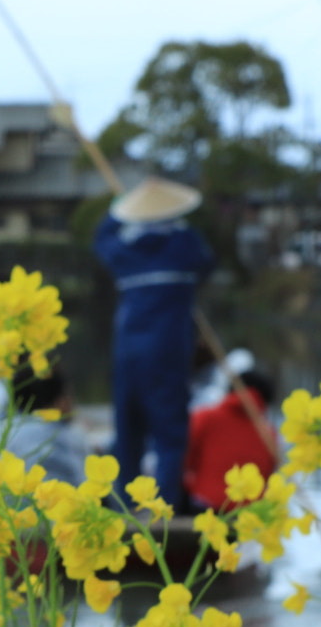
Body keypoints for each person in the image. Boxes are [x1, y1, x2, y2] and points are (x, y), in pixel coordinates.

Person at [92, 177, 214, 510]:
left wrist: (121, 209)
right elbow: (206, 263)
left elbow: (101, 239)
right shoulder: (185, 247)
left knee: (127, 431)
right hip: (168, 354)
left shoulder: (125, 253)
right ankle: (164, 510)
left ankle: (124, 509)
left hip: (128, 354)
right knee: (170, 434)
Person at [183, 368, 278, 512]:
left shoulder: (205, 417)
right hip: (246, 514)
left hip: (202, 506)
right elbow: (266, 476)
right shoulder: (268, 433)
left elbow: (185, 461)